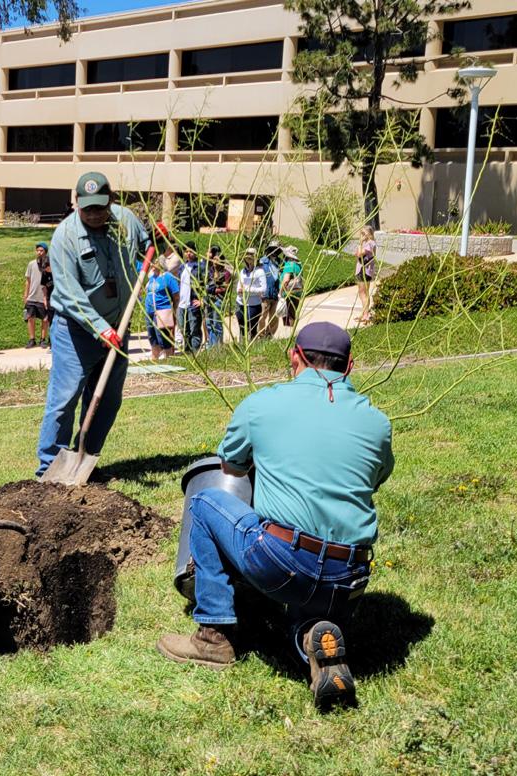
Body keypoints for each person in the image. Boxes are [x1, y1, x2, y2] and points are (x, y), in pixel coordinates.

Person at [157, 322, 394, 709]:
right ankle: (314, 638)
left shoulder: (262, 405)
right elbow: (377, 478)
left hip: (283, 561)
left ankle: (213, 637)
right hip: (349, 573)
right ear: (349, 366)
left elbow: (230, 468)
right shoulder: (377, 422)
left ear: (294, 357)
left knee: (204, 503)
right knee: (311, 607)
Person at [35, 171, 149, 477]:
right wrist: (100, 329)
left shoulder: (126, 221)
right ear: (77, 203)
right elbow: (69, 294)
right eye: (88, 209)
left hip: (117, 328)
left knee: (108, 400)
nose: (95, 214)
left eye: (100, 207)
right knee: (64, 399)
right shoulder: (65, 237)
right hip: (76, 330)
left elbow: (147, 245)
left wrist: (158, 244)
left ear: (111, 200)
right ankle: (49, 467)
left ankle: (87, 458)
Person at [144, 256, 180, 359]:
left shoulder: (168, 277)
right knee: (152, 336)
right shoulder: (152, 278)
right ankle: (154, 356)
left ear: (161, 263)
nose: (152, 264)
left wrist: (174, 310)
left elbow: (176, 296)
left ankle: (168, 356)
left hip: (162, 311)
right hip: (149, 311)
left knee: (162, 336)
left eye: (154, 262)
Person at [235, 248, 267, 342]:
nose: (249, 258)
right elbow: (239, 284)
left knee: (251, 327)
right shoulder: (242, 271)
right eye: (247, 256)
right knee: (242, 327)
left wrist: (247, 290)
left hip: (253, 304)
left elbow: (263, 289)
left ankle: (252, 344)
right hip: (241, 303)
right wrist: (239, 290)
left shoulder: (259, 272)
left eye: (251, 256)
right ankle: (242, 344)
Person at [179, 241, 205, 354]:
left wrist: (202, 300)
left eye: (190, 251)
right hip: (182, 304)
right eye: (186, 251)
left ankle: (195, 353)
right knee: (184, 330)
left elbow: (206, 284)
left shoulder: (200, 267)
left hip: (192, 304)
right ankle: (187, 351)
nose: (188, 254)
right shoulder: (182, 267)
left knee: (194, 330)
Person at [24, 243, 50, 348]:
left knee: (45, 319)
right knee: (30, 318)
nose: (39, 252)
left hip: (43, 296)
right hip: (32, 296)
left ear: (45, 252)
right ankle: (32, 339)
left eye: (41, 250)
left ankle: (43, 340)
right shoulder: (31, 264)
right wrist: (26, 295)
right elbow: (28, 281)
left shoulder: (49, 264)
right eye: (38, 250)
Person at [205, 246, 231, 347]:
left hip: (218, 300)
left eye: (217, 259)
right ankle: (212, 346)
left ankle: (218, 346)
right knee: (209, 323)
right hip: (209, 300)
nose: (215, 262)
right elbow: (205, 286)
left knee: (217, 323)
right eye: (214, 259)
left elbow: (225, 288)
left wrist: (214, 289)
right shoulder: (209, 271)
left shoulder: (226, 273)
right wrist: (212, 289)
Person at [258, 241, 282, 337]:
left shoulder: (280, 262)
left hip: (276, 294)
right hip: (265, 294)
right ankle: (261, 335)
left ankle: (269, 336)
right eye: (272, 249)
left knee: (274, 317)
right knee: (262, 316)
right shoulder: (262, 262)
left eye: (276, 250)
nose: (274, 252)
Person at [355, 226, 376, 324]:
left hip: (365, 271)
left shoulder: (370, 243)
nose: (362, 235)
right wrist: (361, 244)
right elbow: (356, 254)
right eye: (361, 233)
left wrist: (360, 243)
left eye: (364, 233)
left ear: (369, 233)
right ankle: (364, 313)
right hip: (361, 270)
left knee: (364, 293)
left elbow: (359, 254)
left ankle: (366, 315)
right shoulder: (365, 243)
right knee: (362, 292)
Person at [279, 245, 303, 327]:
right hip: (297, 292)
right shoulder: (298, 265)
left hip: (288, 293)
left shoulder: (289, 264)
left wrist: (280, 292)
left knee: (287, 317)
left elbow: (286, 280)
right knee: (293, 314)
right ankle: (292, 330)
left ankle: (288, 332)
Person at [40, 244, 55, 347]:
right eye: (45, 269)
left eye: (47, 268)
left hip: (59, 299)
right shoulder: (45, 274)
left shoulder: (57, 272)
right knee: (51, 320)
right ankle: (51, 341)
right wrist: (45, 299)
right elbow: (44, 287)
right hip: (50, 299)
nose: (46, 270)